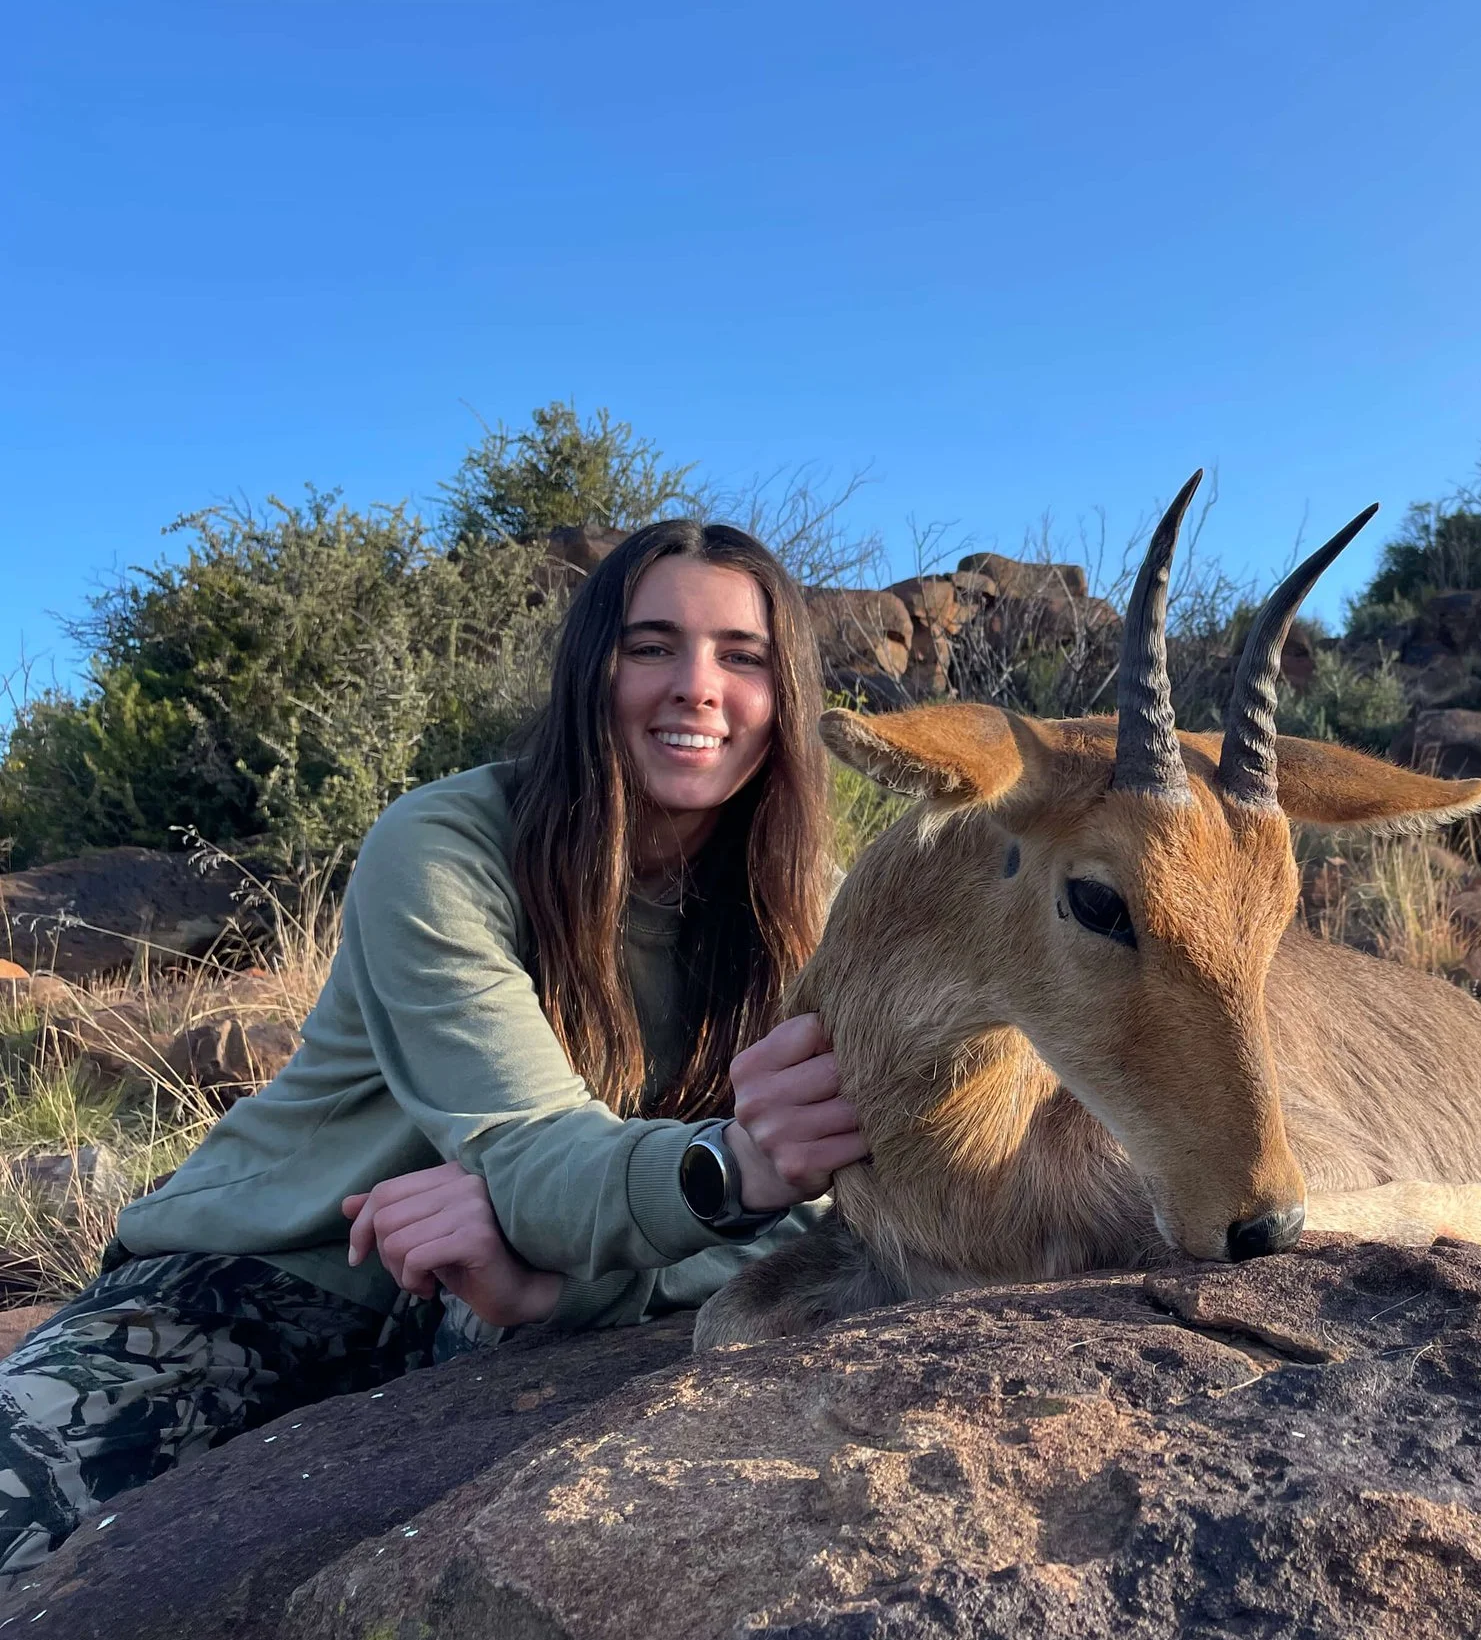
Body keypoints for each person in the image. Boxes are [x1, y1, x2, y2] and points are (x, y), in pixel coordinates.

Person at [0, 520, 867, 1573]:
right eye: (650, 646)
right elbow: (534, 1145)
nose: (695, 685)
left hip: (502, 1307)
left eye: (744, 657)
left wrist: (555, 1284)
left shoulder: (808, 910)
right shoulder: (448, 844)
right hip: (273, 1268)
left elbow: (812, 1228)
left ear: (788, 699)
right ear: (589, 672)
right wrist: (727, 1167)